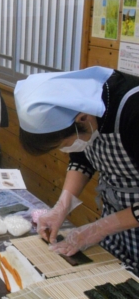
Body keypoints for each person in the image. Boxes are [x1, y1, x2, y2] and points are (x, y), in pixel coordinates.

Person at [14, 66, 139, 274]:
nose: (65, 150)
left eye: (64, 144)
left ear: (83, 118)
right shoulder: (76, 109)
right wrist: (61, 207)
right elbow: (82, 158)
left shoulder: (133, 111)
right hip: (118, 224)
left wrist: (100, 228)